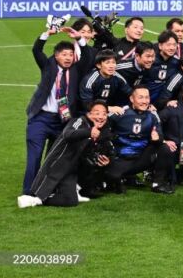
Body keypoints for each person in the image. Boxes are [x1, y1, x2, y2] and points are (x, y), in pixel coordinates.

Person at [23, 25, 87, 195]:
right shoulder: (48, 66)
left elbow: (87, 56)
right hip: (40, 118)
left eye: (70, 54)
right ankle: (28, 192)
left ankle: (45, 191)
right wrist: (47, 34)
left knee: (54, 158)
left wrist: (79, 38)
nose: (68, 58)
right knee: (34, 156)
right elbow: (37, 50)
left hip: (62, 121)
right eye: (64, 54)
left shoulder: (76, 70)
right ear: (56, 55)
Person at [18, 101, 113, 209]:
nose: (101, 117)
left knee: (70, 201)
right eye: (97, 113)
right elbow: (68, 134)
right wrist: (88, 132)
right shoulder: (79, 121)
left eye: (104, 114)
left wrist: (101, 161)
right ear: (89, 114)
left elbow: (88, 154)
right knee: (60, 196)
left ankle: (69, 191)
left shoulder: (99, 130)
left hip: (70, 171)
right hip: (57, 166)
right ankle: (34, 200)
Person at [105, 86, 175, 194]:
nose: (144, 101)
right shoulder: (120, 112)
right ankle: (125, 177)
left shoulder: (152, 115)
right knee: (112, 178)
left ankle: (158, 184)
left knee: (165, 147)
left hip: (141, 159)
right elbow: (103, 129)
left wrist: (157, 138)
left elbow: (160, 136)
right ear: (132, 99)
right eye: (141, 97)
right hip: (121, 158)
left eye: (147, 97)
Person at [142, 31, 180, 104]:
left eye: (174, 45)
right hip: (145, 100)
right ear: (160, 46)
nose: (172, 48)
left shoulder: (177, 63)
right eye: (168, 44)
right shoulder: (150, 61)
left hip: (165, 102)